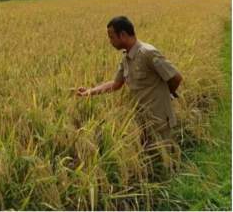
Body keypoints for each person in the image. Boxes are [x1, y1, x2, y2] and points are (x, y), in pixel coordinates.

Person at [76, 16, 183, 170]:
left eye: (111, 37)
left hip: (159, 120)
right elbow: (115, 84)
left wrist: (168, 94)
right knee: (150, 161)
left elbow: (176, 78)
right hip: (141, 119)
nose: (110, 41)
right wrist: (89, 92)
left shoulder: (148, 53)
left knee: (166, 161)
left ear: (123, 35)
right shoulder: (126, 58)